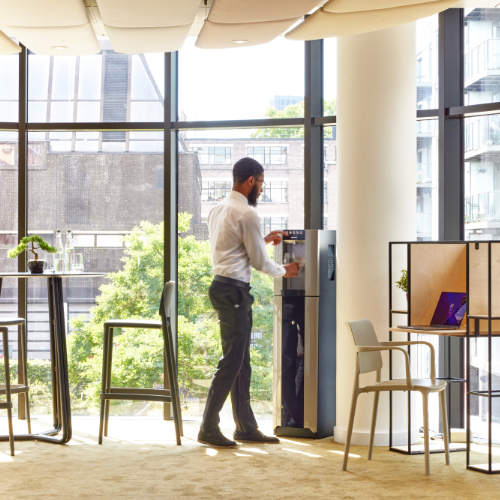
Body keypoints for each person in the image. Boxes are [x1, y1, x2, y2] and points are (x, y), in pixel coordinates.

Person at [198, 157, 299, 448]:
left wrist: (263, 239)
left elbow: (231, 249)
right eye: (262, 183)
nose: (262, 190)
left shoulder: (218, 209)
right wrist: (286, 271)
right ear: (251, 180)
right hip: (235, 292)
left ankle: (245, 427)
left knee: (242, 361)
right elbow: (258, 262)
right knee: (232, 361)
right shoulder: (247, 214)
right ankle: (208, 427)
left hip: (222, 287)